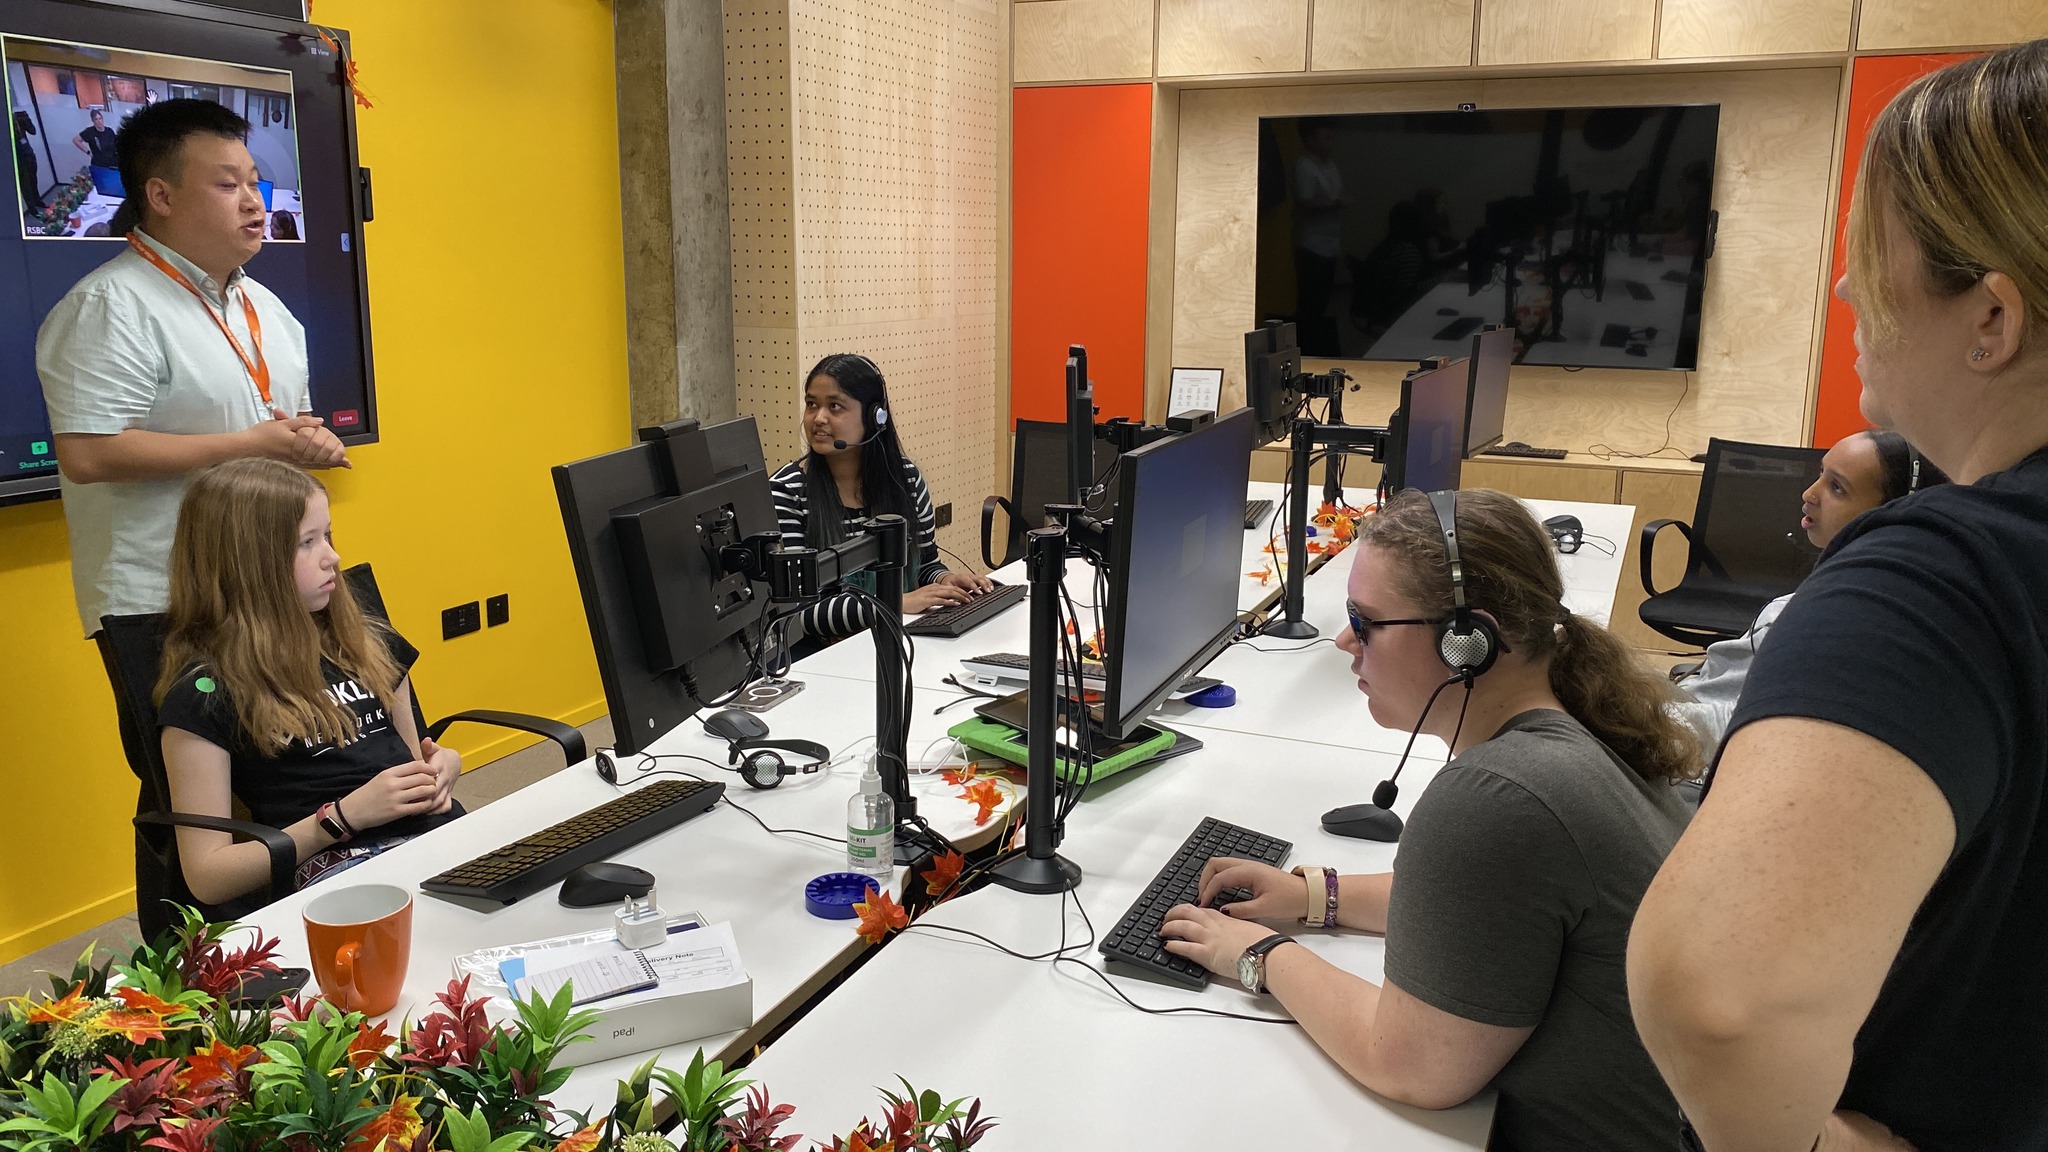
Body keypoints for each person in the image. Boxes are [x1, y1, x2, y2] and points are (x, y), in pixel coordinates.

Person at [1628, 40, 2048, 1151]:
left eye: (1876, 251)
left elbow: (1720, 1001)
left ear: (1991, 321)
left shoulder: (1941, 575)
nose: (1845, 285)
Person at [1159, 488, 1699, 1150]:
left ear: (1465, 643)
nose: (1342, 639)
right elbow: (1490, 910)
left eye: (1367, 620)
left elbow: (1410, 1065)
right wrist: (1314, 895)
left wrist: (1258, 955)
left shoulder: (1496, 798)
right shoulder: (1575, 724)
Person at [37, 97, 344, 638]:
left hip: (269, 585)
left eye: (255, 182)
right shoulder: (111, 305)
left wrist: (307, 442)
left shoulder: (268, 309)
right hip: (166, 600)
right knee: (188, 728)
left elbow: (286, 423)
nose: (254, 203)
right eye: (229, 186)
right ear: (161, 196)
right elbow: (88, 453)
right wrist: (255, 443)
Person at [155, 459, 461, 906]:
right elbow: (207, 875)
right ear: (250, 565)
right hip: (339, 868)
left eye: (328, 536)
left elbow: (415, 761)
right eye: (307, 542)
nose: (333, 556)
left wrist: (442, 769)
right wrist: (341, 818)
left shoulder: (367, 643)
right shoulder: (204, 695)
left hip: (434, 840)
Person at [1670, 429, 1947, 749]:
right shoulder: (1884, 596)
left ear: (1891, 515)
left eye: (1837, 488)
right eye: (1820, 474)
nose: (1809, 494)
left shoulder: (1818, 622)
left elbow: (1736, 727)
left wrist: (1629, 717)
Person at [768, 353, 990, 650]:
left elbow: (924, 564)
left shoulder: (906, 479)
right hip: (828, 658)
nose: (818, 418)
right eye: (812, 405)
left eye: (834, 406)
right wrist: (892, 604)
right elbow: (797, 613)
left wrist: (945, 581)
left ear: (875, 417)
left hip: (900, 641)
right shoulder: (786, 492)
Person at [13, 109, 38, 220]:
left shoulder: (19, 117)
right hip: (17, 156)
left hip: (28, 152)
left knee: (33, 178)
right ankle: (32, 208)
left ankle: (37, 200)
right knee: (25, 184)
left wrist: (26, 118)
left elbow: (33, 131)